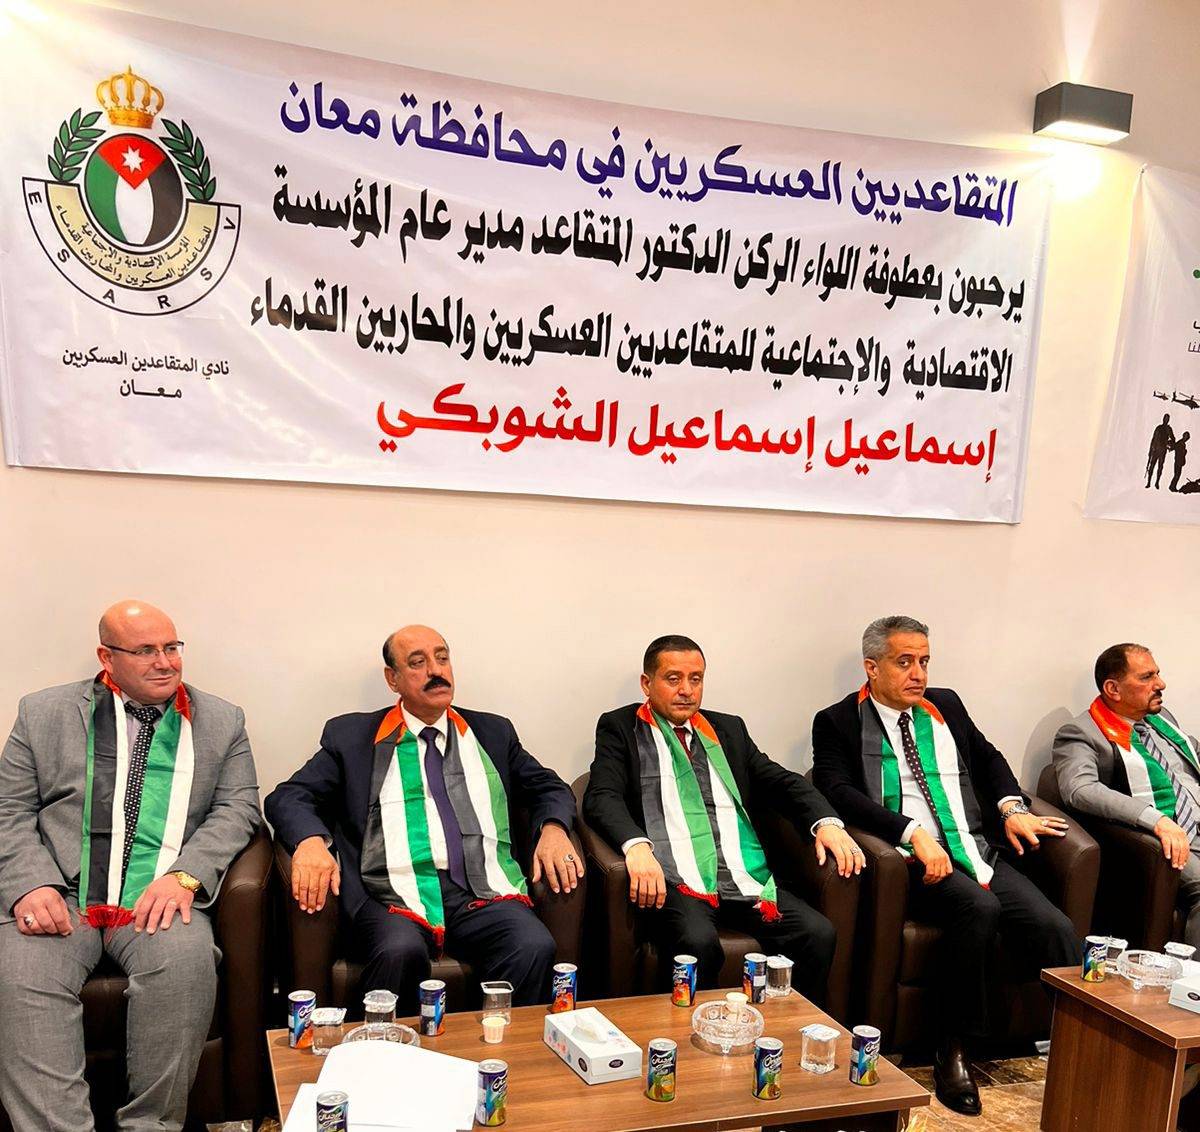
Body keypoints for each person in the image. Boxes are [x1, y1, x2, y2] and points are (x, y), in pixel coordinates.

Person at [0, 601, 262, 1131]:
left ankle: (151, 1125)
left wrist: (186, 875)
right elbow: (9, 807)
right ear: (107, 657)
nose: (165, 662)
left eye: (171, 647)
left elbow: (238, 808)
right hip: (62, 892)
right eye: (145, 651)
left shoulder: (221, 720)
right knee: (19, 975)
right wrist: (30, 884)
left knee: (185, 965)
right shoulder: (43, 713)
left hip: (156, 895)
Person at [811, 615, 1077, 1117]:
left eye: (924, 661)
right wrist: (911, 832)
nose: (918, 673)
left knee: (1054, 926)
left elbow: (989, 759)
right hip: (911, 859)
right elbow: (837, 790)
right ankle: (952, 1049)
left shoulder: (946, 705)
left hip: (973, 846)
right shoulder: (838, 721)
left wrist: (1011, 808)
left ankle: (1075, 1046)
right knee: (979, 909)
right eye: (904, 662)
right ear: (872, 667)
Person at [266, 624, 579, 1011]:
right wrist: (311, 842)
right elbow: (289, 796)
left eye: (442, 658)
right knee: (400, 950)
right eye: (418, 662)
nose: (436, 670)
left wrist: (553, 829)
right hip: (389, 889)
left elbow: (549, 786)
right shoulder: (353, 737)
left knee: (532, 944)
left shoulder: (491, 732)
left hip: (479, 889)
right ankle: (384, 1045)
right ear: (392, 679)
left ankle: (498, 1042)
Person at [582, 634, 862, 1007]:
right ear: (647, 684)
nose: (686, 690)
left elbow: (781, 781)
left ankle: (785, 1030)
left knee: (817, 933)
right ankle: (696, 1035)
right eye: (673, 679)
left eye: (695, 679)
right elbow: (601, 795)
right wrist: (636, 847)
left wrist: (826, 822)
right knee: (697, 943)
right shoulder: (621, 727)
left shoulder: (727, 729)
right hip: (676, 877)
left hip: (741, 873)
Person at [1054, 644, 1200, 946]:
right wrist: (1156, 819)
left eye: (1157, 674)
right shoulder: (1082, 733)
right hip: (1173, 838)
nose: (1160, 684)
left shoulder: (1162, 720)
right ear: (1113, 689)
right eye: (1147, 677)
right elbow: (1079, 789)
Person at [1146, 413, 1175, 489]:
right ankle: (1149, 482)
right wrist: (1150, 450)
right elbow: (1153, 439)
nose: (1165, 420)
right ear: (1163, 419)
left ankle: (1157, 483)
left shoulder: (1169, 429)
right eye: (1165, 418)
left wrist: (1168, 444)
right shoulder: (1158, 427)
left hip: (1162, 451)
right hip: (1155, 450)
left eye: (1167, 419)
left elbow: (1173, 439)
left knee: (1160, 467)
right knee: (1151, 466)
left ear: (1168, 420)